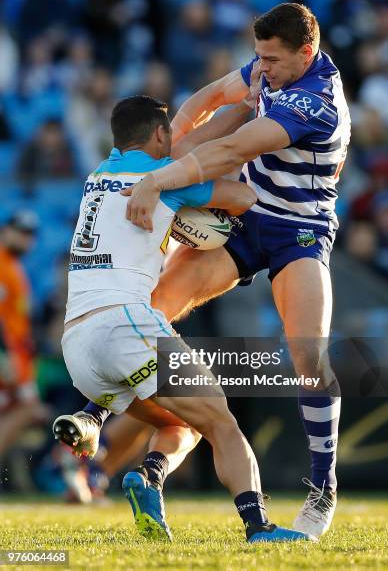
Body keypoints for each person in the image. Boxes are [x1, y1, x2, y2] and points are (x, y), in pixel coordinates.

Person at [121, 3, 351, 538]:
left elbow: (229, 149)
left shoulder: (315, 102)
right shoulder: (273, 64)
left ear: (306, 54)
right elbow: (208, 99)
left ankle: (323, 489)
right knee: (148, 313)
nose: (261, 69)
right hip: (246, 217)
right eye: (258, 58)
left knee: (308, 357)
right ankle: (110, 433)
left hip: (300, 230)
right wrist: (163, 154)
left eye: (271, 60)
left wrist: (157, 182)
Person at [53, 94, 313, 543]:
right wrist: (194, 214)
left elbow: (180, 153)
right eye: (170, 133)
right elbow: (241, 196)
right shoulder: (164, 180)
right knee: (222, 424)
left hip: (76, 344)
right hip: (127, 323)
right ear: (160, 134)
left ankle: (146, 475)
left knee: (182, 425)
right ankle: (258, 527)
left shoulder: (99, 173)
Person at [0, 211, 48, 462]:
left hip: (17, 354)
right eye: (20, 231)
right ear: (5, 230)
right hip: (6, 354)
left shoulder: (13, 266)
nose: (24, 239)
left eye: (29, 235)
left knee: (24, 409)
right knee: (28, 408)